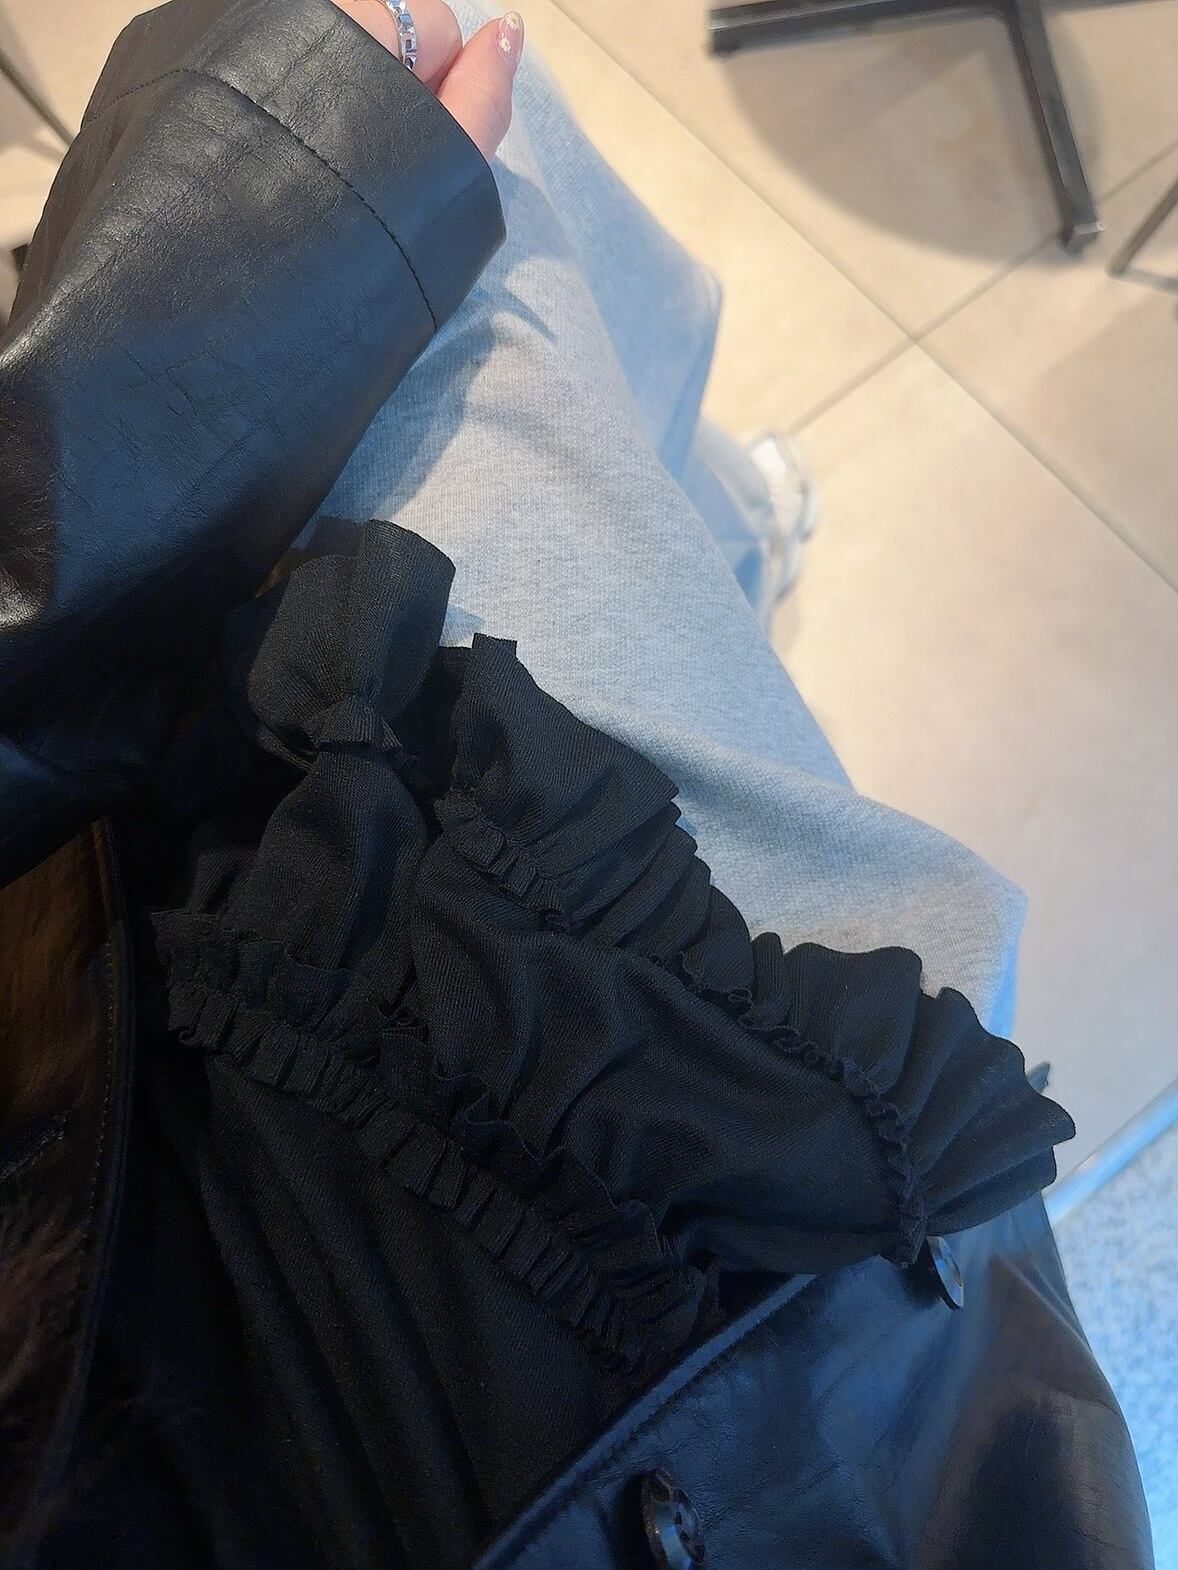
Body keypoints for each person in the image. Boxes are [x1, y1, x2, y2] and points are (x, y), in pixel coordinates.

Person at [0, 1, 1152, 1567]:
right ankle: (731, 529)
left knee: (435, 168)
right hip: (586, 1353)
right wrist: (263, 235)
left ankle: (729, 525)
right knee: (466, 190)